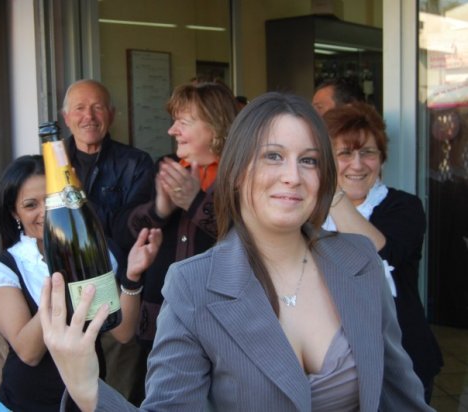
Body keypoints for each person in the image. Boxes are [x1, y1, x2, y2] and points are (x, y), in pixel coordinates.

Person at [39, 92, 433, 411]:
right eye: (273, 156)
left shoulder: (357, 259)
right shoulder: (193, 285)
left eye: (309, 160)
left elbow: (401, 398)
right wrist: (87, 388)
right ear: (239, 170)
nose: (292, 176)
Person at [0, 155, 161, 411]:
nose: (46, 212)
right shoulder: (1, 269)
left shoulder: (96, 251)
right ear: (14, 213)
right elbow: (29, 352)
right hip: (25, 405)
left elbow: (123, 332)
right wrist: (65, 270)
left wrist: (132, 276)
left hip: (87, 401)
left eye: (52, 199)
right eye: (30, 205)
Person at [108, 81, 237, 401]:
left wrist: (195, 202)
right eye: (173, 120)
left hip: (220, 326)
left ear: (216, 126)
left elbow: (246, 237)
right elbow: (121, 232)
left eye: (183, 121)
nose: (171, 130)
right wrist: (159, 210)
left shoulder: (241, 176)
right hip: (157, 325)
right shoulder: (166, 167)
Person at [322, 101, 443, 403]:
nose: (358, 164)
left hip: (400, 361)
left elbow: (379, 254)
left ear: (382, 159)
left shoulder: (404, 207)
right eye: (344, 153)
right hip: (333, 364)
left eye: (368, 153)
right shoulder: (308, 213)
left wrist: (333, 194)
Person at [61, 79, 155, 401]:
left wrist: (76, 202)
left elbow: (130, 228)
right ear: (66, 117)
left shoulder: (136, 163)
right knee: (70, 389)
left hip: (117, 288)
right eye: (79, 108)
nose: (89, 116)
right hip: (65, 289)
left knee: (117, 389)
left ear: (111, 114)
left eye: (97, 107)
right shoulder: (50, 163)